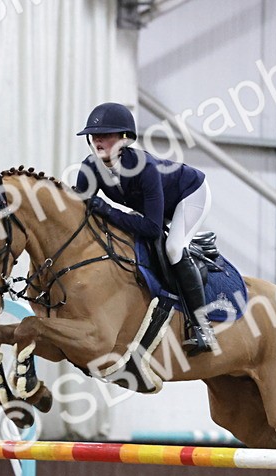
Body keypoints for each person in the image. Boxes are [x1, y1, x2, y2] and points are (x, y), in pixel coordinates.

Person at [73, 102, 216, 355]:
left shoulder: (145, 168)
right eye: (94, 136)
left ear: (124, 138)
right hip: (150, 206)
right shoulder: (90, 169)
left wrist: (106, 210)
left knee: (174, 248)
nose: (97, 141)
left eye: (105, 135)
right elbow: (80, 211)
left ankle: (202, 328)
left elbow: (150, 227)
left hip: (189, 194)